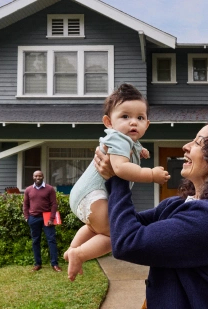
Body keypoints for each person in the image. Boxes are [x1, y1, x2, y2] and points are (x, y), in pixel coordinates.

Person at [95, 119, 208, 309]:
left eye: (197, 142)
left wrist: (118, 176)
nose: (186, 147)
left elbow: (127, 242)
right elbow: (121, 227)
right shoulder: (180, 205)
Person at [65, 83, 170, 281]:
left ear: (147, 124)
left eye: (140, 118)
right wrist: (151, 175)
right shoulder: (119, 139)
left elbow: (131, 148)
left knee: (93, 228)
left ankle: (72, 248)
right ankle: (78, 254)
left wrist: (141, 150)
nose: (133, 123)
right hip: (93, 196)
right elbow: (120, 169)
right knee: (116, 235)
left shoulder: (126, 140)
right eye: (125, 116)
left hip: (85, 196)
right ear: (108, 122)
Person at [23, 170, 62, 272]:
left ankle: (54, 264)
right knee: (36, 241)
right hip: (33, 218)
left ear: (43, 176)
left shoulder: (49, 189)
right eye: (36, 176)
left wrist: (51, 218)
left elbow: (54, 204)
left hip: (47, 218)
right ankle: (37, 264)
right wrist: (27, 217)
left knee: (51, 240)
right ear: (33, 177)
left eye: (40, 176)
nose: (38, 178)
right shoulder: (28, 190)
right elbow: (25, 205)